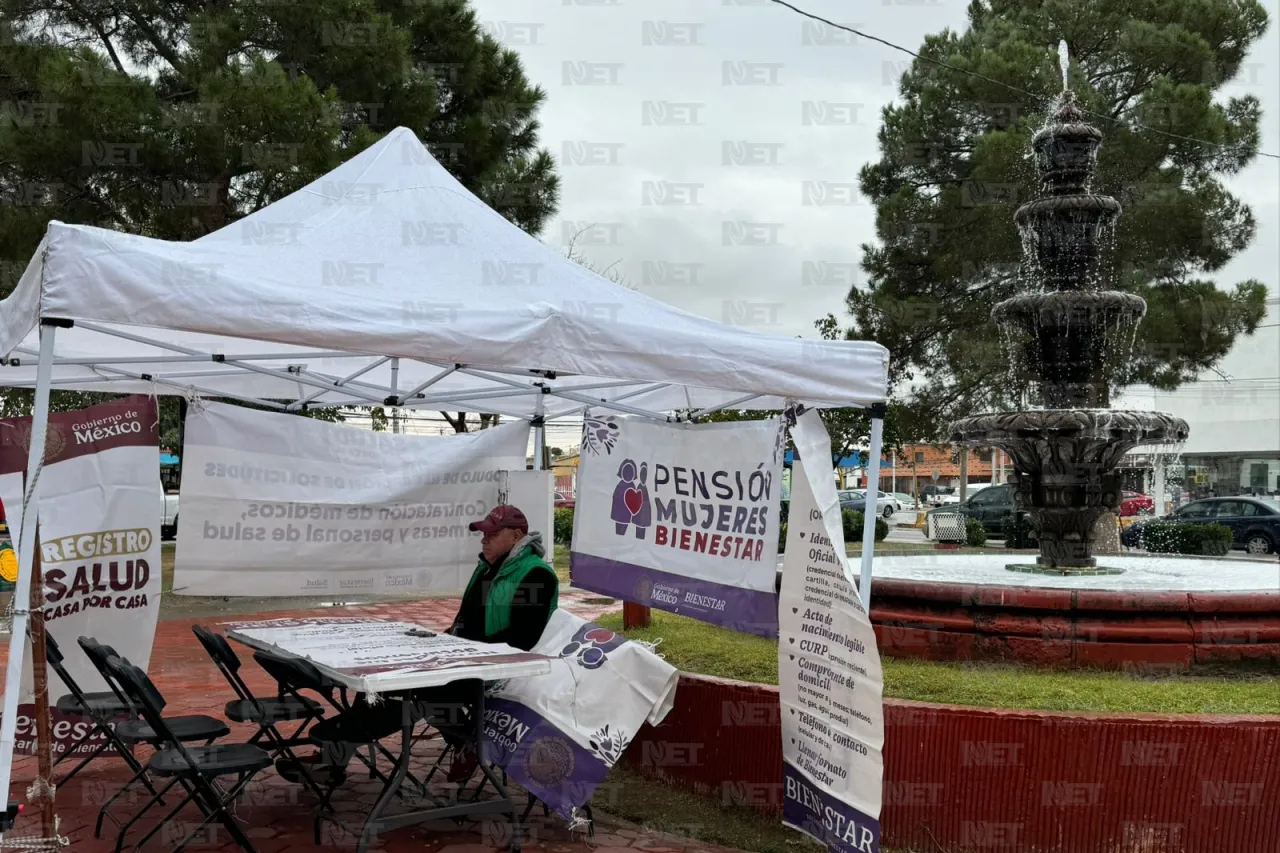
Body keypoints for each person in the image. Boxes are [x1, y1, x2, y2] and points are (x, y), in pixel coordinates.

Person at [305, 504, 560, 785]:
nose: (483, 539)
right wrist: (440, 640)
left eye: (491, 534)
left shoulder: (534, 575)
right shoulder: (488, 567)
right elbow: (466, 618)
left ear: (516, 535)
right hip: (464, 658)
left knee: (407, 689)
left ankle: (342, 744)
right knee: (380, 677)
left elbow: (520, 640)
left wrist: (459, 650)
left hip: (497, 670)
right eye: (482, 534)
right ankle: (339, 751)